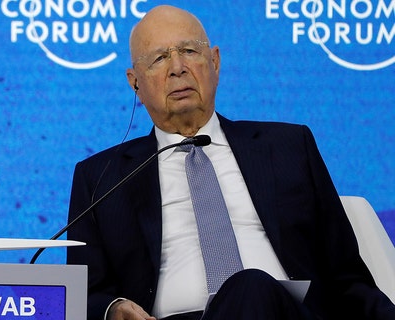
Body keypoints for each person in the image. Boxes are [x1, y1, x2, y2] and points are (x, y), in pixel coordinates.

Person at [66, 5, 395, 320]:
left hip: (284, 311)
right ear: (135, 82)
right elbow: (82, 295)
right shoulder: (101, 178)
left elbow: (348, 278)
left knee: (250, 287)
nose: (177, 67)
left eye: (190, 51)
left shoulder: (289, 148)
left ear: (215, 62)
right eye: (159, 58)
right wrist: (113, 309)